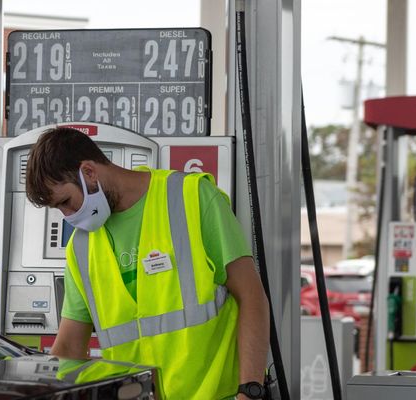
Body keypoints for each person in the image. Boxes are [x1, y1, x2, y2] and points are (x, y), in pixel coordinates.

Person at [25, 127, 270, 400]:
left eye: (67, 202)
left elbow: (251, 296)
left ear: (89, 172)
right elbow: (70, 345)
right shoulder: (80, 247)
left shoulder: (192, 197)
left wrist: (249, 391)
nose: (68, 216)